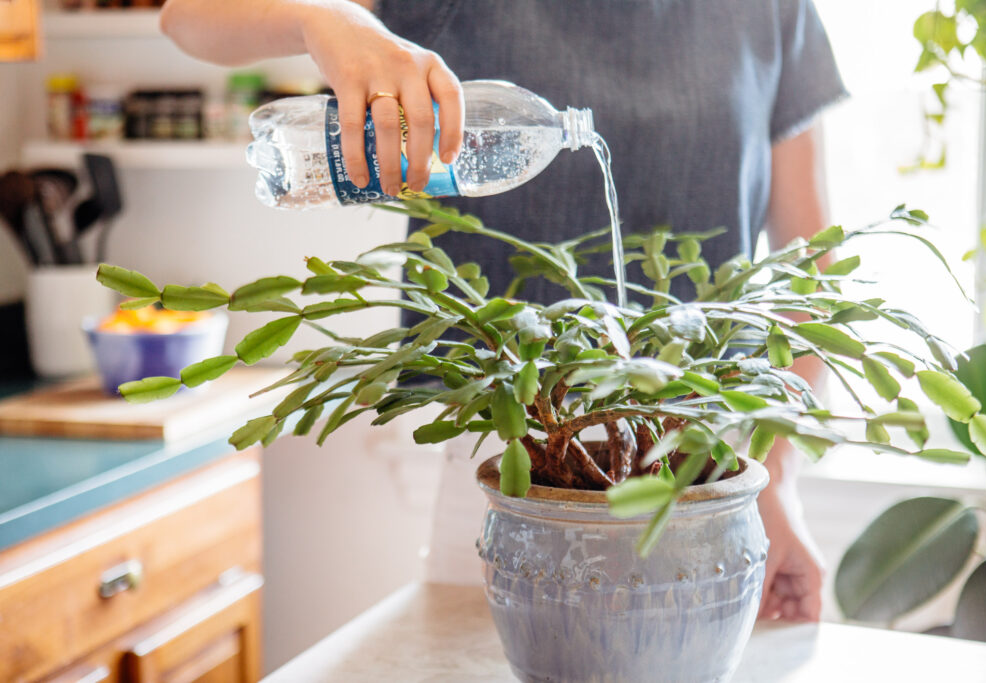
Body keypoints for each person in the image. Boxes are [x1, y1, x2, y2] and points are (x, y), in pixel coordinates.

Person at [159, 0, 845, 623]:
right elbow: (187, 17)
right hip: (507, 470)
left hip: (710, 481)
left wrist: (776, 473)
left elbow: (811, 274)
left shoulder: (772, 10)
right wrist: (329, 18)